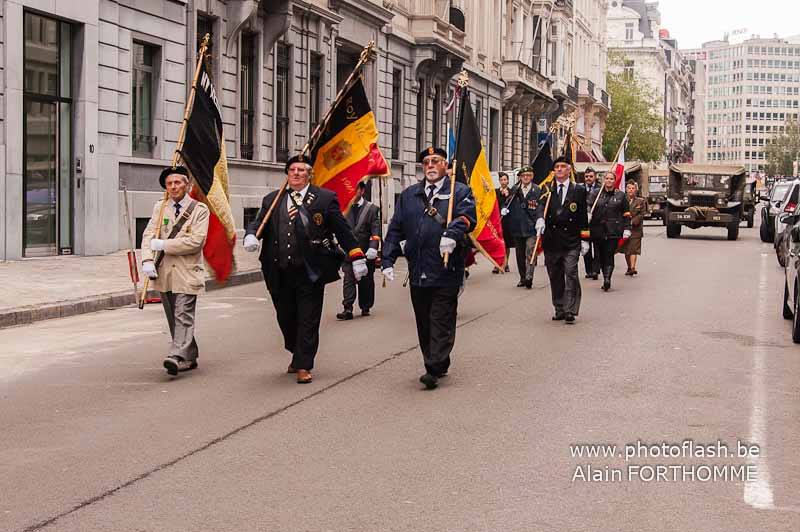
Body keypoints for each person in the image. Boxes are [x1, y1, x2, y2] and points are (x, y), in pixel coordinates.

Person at [243, 154, 368, 384]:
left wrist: (356, 255)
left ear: (310, 174)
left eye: (302, 170)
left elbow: (341, 229)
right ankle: (295, 349)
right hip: (279, 270)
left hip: (310, 271)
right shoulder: (273, 199)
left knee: (308, 319)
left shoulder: (324, 198)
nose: (297, 173)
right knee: (285, 318)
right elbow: (258, 221)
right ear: (287, 174)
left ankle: (303, 364)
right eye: (292, 170)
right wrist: (251, 235)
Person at [381, 146, 477, 390]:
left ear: (446, 165)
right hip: (418, 269)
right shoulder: (409, 195)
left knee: (441, 318)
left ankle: (432, 367)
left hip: (446, 268)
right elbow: (396, 227)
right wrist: (387, 258)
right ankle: (437, 360)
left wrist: (453, 234)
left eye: (436, 161)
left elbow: (467, 217)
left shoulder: (459, 191)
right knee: (424, 320)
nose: (431, 166)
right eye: (426, 162)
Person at [141, 166, 210, 376]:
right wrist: (146, 260)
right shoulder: (160, 207)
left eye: (177, 182)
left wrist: (164, 245)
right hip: (164, 272)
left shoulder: (199, 210)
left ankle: (176, 355)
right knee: (173, 316)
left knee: (183, 314)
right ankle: (190, 356)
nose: (173, 187)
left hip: (187, 271)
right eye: (169, 183)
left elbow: (196, 241)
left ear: (187, 184)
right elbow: (148, 235)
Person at [540, 156, 590, 324]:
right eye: (557, 167)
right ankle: (559, 307)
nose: (559, 169)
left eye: (563, 166)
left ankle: (570, 309)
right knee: (555, 275)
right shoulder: (547, 188)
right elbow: (540, 208)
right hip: (552, 241)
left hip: (571, 241)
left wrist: (585, 239)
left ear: (569, 170)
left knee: (571, 273)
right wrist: (539, 219)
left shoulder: (579, 190)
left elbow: (583, 215)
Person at [336, 181, 381, 320]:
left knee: (365, 281)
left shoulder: (372, 209)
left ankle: (365, 306)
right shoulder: (342, 208)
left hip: (366, 252)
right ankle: (347, 308)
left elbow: (375, 230)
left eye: (354, 189)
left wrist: (373, 248)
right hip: (349, 252)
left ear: (362, 191)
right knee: (348, 279)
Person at [588, 171, 631, 291]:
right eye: (607, 178)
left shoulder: (621, 196)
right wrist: (588, 213)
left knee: (609, 253)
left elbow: (626, 213)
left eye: (611, 179)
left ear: (614, 181)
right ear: (603, 180)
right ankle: (604, 271)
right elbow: (588, 204)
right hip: (598, 230)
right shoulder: (596, 194)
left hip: (614, 230)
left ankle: (607, 278)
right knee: (600, 255)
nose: (609, 181)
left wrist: (627, 228)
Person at [501, 165, 542, 289]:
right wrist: (503, 208)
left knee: (530, 251)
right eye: (523, 175)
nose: (526, 177)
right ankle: (523, 277)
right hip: (517, 227)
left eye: (528, 175)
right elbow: (508, 201)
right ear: (520, 177)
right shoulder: (515, 189)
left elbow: (541, 206)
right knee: (519, 255)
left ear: (532, 176)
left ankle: (529, 276)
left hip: (531, 227)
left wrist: (540, 219)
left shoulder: (537, 189)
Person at [621, 180, 647, 276]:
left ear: (636, 190)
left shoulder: (640, 201)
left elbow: (643, 213)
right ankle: (629, 267)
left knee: (634, 249)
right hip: (624, 228)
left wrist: (634, 221)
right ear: (626, 189)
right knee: (627, 249)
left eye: (633, 188)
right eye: (629, 188)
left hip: (636, 229)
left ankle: (633, 267)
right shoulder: (622, 200)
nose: (631, 190)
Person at [582, 167, 600, 280]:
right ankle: (589, 270)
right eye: (587, 176)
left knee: (597, 248)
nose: (588, 178)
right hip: (584, 223)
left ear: (595, 177)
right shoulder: (580, 188)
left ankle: (595, 269)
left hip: (597, 222)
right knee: (586, 247)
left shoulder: (600, 189)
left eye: (591, 176)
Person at [494, 172, 513, 273]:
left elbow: (513, 204)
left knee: (506, 244)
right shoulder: (495, 192)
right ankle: (497, 263)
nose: (503, 182)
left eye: (505, 180)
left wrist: (507, 196)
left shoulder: (511, 192)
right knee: (498, 243)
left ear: (508, 181)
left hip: (507, 221)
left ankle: (506, 263)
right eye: (501, 180)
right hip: (497, 220)